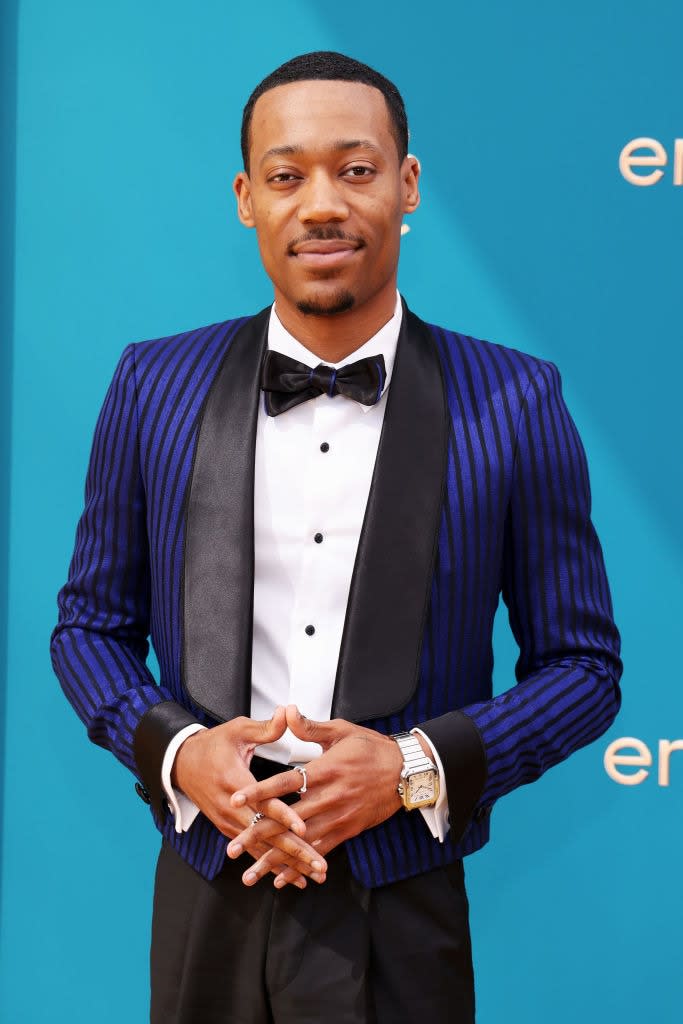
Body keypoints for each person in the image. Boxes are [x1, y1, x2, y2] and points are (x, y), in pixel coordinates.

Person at [49, 50, 623, 1023]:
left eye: (354, 170)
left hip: (403, 906)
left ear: (405, 185)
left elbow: (581, 667)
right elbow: (88, 629)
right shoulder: (152, 386)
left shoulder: (515, 400)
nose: (320, 203)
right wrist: (183, 753)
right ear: (245, 199)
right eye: (286, 174)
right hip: (203, 892)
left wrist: (407, 771)